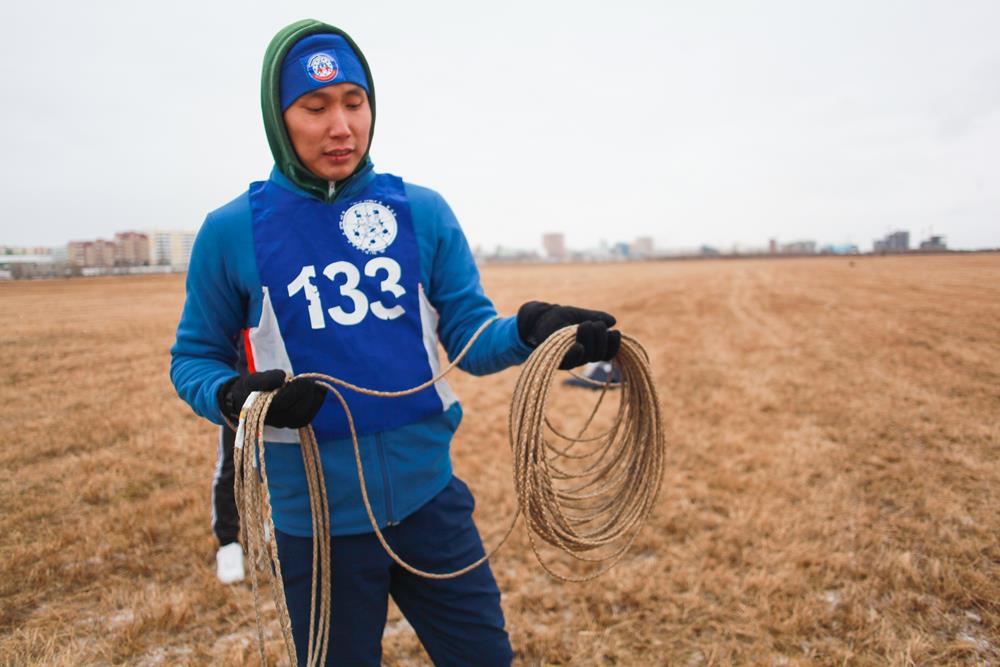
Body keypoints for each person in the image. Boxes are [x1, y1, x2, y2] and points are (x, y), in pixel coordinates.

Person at [170, 19, 620, 667]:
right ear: (279, 117)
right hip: (317, 529)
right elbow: (192, 360)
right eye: (314, 106)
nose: (341, 126)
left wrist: (534, 332)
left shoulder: (423, 211)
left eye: (354, 102)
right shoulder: (232, 231)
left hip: (431, 504)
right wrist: (233, 395)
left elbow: (469, 335)